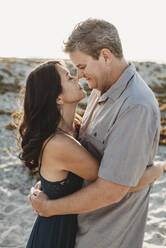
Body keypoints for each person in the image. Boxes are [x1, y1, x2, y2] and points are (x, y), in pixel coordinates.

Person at [28, 19, 163, 248]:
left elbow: (112, 189)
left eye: (81, 66)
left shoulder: (135, 106)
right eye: (74, 71)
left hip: (106, 236)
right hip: (77, 230)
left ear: (105, 56)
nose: (79, 75)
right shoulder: (98, 91)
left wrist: (49, 206)